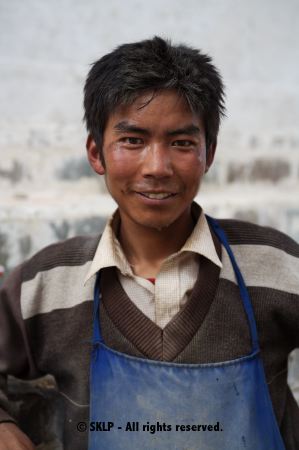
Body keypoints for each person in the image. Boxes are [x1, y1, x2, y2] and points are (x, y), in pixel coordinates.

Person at [0, 36, 298, 450]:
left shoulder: (276, 267)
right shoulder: (47, 285)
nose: (157, 168)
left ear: (209, 152)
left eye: (181, 143)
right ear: (96, 152)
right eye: (133, 141)